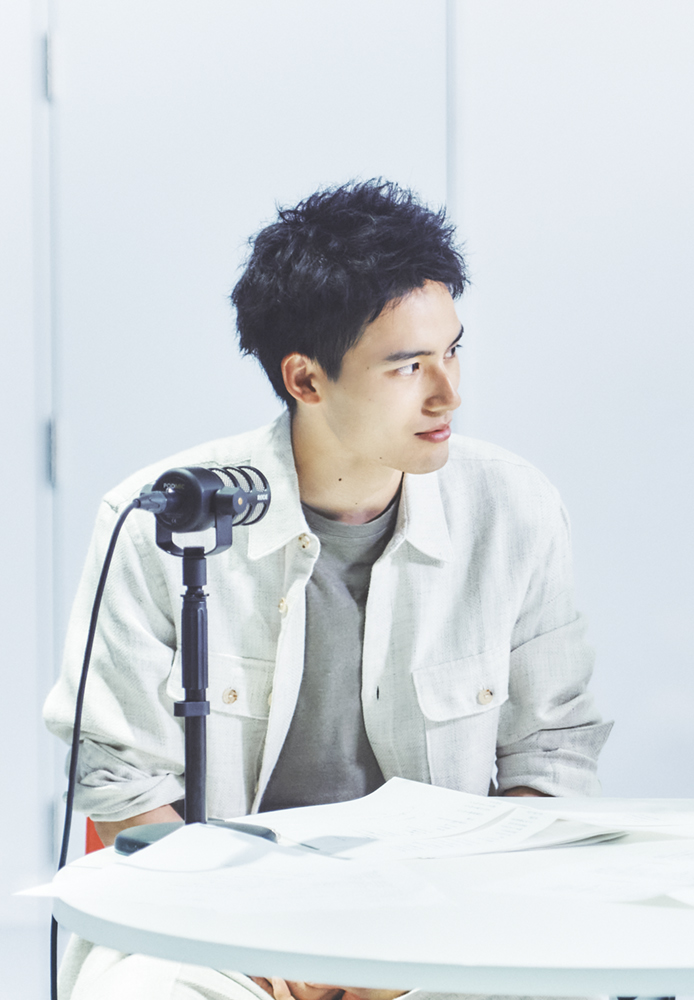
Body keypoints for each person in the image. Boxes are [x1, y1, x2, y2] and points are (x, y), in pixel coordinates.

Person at [44, 179, 611, 1000]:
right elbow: (121, 779)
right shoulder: (163, 519)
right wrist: (243, 932)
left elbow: (552, 757)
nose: (449, 392)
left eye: (453, 351)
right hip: (215, 924)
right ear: (306, 380)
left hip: (450, 913)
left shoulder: (514, 508)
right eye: (408, 366)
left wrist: (430, 939)